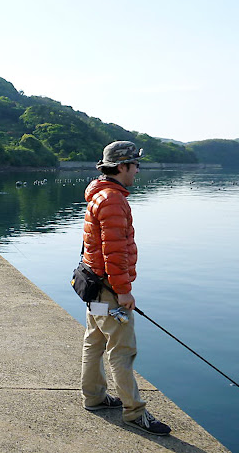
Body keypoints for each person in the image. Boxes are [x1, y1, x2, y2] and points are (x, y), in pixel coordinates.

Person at [80, 141, 171, 436]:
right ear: (122, 167)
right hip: (109, 288)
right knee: (122, 350)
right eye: (136, 165)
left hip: (95, 287)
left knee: (94, 341)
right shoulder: (113, 200)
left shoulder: (98, 194)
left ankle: (94, 397)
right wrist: (124, 290)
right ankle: (134, 412)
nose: (137, 171)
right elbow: (115, 251)